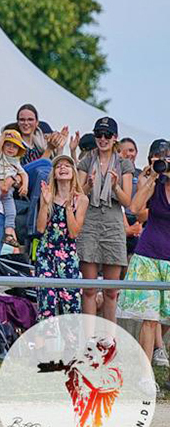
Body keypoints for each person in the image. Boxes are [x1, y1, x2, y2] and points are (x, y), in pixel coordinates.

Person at [76, 117, 134, 321]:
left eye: (107, 135)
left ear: (115, 138)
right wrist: (89, 186)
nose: (102, 138)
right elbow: (77, 195)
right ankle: (89, 340)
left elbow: (128, 202)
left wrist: (116, 186)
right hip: (90, 221)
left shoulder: (124, 164)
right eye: (98, 134)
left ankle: (110, 340)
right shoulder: (86, 160)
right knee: (89, 288)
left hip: (113, 223)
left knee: (111, 290)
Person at [118, 139, 170, 364]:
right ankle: (145, 375)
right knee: (149, 319)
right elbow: (134, 208)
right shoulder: (153, 182)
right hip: (148, 255)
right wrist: (152, 180)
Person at [34, 154, 88, 320]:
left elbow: (74, 233)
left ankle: (70, 345)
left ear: (73, 171)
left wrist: (68, 209)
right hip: (46, 253)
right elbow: (40, 228)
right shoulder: (47, 195)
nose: (62, 168)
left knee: (70, 303)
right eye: (58, 166)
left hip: (68, 254)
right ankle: (46, 344)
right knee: (46, 302)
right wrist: (45, 203)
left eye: (67, 165)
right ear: (54, 173)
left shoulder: (82, 199)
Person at [0, 129, 29, 247]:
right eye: (8, 145)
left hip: (8, 192)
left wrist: (25, 185)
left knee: (12, 211)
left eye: (15, 147)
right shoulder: (0, 157)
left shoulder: (16, 162)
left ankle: (9, 233)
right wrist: (3, 135)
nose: (10, 148)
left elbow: (24, 174)